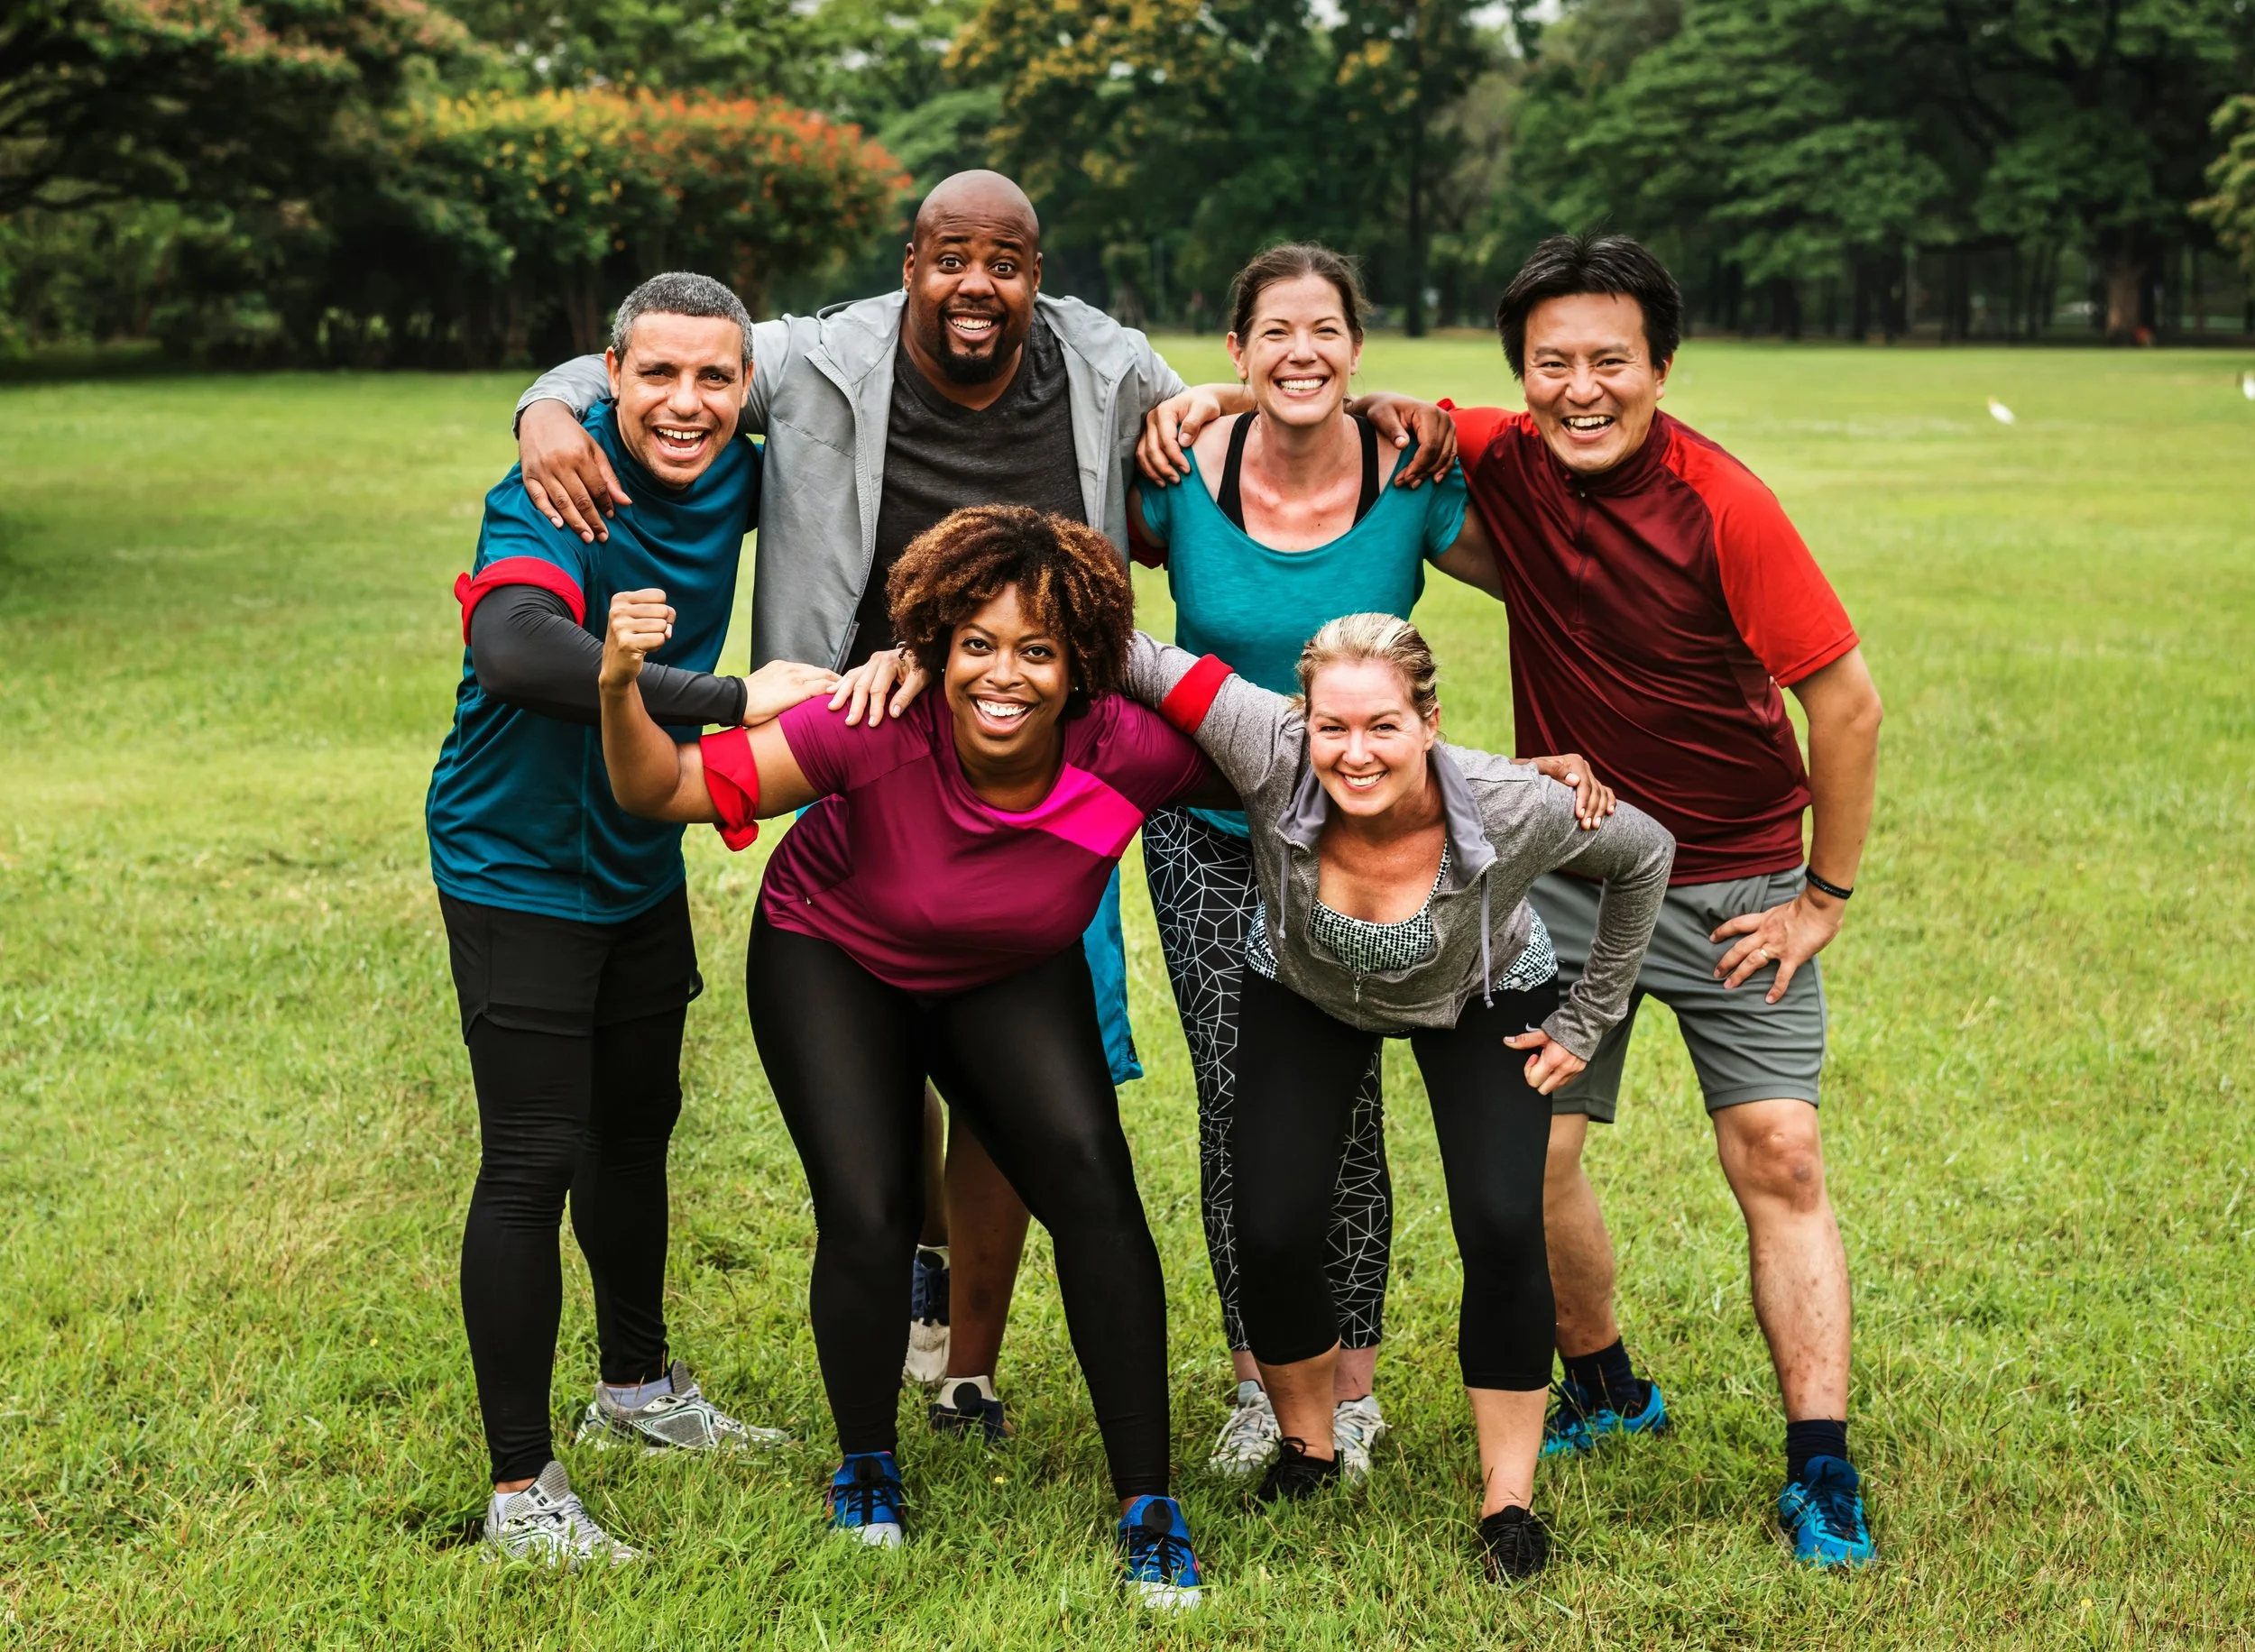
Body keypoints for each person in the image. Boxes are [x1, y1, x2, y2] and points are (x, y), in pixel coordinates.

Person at [511, 171, 1457, 1427]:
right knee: (879, 1038)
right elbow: (652, 358)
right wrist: (546, 408)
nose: (977, 285)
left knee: (1021, 1077)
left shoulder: (1102, 363)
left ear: (1036, 271)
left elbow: (1258, 409)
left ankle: (968, 1363)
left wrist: (1370, 401)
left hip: (1044, 754)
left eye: (1005, 261)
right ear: (911, 262)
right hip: (866, 732)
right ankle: (913, 1267)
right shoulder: (819, 356)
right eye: (951, 257)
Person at [1183, 234, 1879, 1566]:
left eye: (1610, 361)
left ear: (1662, 367)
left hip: (1735, 870)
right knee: (1536, 1162)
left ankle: (1820, 1463)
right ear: (1520, 375)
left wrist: (1822, 895)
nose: (1579, 388)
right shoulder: (1492, 448)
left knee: (1778, 1152)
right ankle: (1605, 1381)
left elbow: (1845, 704)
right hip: (1566, 864)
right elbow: (1325, 392)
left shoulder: (1726, 504)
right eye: (1550, 363)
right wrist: (1201, 404)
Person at [593, 505, 1231, 1608]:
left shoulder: (1130, 751)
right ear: (933, 646)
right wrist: (616, 687)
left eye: (1037, 650)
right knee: (871, 1204)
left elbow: (1310, 770)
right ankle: (866, 1461)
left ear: (1082, 661)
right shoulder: (871, 725)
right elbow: (661, 790)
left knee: (1095, 1187)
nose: (1004, 676)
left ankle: (1147, 1502)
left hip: (1006, 965)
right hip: (834, 951)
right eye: (975, 644)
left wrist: (1496, 787)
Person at [426, 272, 838, 1568]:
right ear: (609, 375)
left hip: (635, 845)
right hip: (516, 862)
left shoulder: (745, 470)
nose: (687, 402)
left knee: (636, 1131)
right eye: (658, 374)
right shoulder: (558, 483)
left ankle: (636, 1390)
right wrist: (724, 696)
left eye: (716, 377)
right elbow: (514, 649)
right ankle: (517, 1493)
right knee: (531, 1157)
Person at [1121, 615, 1671, 1583]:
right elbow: (1137, 654)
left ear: (1428, 722)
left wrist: (1587, 1019)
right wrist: (958, 626)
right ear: (1301, 721)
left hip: (1482, 993)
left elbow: (1645, 853)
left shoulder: (1512, 803)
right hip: (1303, 986)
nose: (1354, 751)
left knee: (1503, 1219)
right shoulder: (1266, 742)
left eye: (1382, 725)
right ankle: (1309, 1447)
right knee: (1273, 1222)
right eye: (1332, 727)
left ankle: (1508, 1501)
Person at [1122, 243, 1498, 1481]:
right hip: (1208, 831)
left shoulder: (1410, 474)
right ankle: (1256, 1381)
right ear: (1235, 352)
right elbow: (1071, 560)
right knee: (1240, 1099)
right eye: (1274, 333)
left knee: (1348, 1109)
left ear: (1357, 345)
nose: (1301, 353)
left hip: (1361, 843)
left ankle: (1354, 1388)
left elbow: (1549, 569)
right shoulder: (1174, 474)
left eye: (1326, 331)